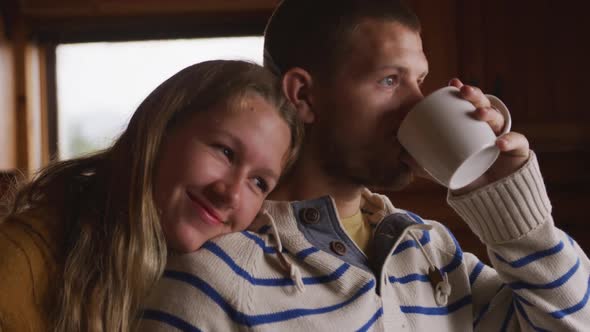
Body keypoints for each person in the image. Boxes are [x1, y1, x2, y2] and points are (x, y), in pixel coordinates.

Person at [140, 0, 590, 331]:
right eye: (389, 81)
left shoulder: (432, 252)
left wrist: (515, 215)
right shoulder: (214, 277)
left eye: (420, 81)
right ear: (304, 96)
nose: (415, 105)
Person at [0, 60, 303, 331]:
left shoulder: (236, 278)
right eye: (225, 152)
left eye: (259, 183)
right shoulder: (19, 263)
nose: (231, 194)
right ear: (160, 129)